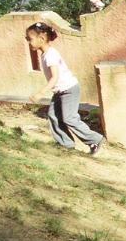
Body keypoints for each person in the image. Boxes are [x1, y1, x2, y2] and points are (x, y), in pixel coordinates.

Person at [25, 21, 104, 154]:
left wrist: (40, 93)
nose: (28, 42)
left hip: (69, 89)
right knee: (53, 116)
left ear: (42, 38)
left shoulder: (50, 54)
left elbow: (55, 77)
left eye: (30, 39)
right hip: (60, 91)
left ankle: (94, 139)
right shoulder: (45, 54)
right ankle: (66, 145)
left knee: (69, 118)